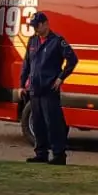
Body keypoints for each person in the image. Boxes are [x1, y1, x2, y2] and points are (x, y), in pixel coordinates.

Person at [21, 12, 78, 165]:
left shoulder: (57, 41)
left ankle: (59, 155)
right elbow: (27, 63)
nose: (35, 29)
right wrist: (22, 84)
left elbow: (73, 59)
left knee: (53, 123)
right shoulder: (32, 41)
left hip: (49, 89)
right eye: (33, 26)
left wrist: (61, 77)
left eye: (37, 26)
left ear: (45, 24)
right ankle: (41, 153)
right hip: (34, 89)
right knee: (38, 123)